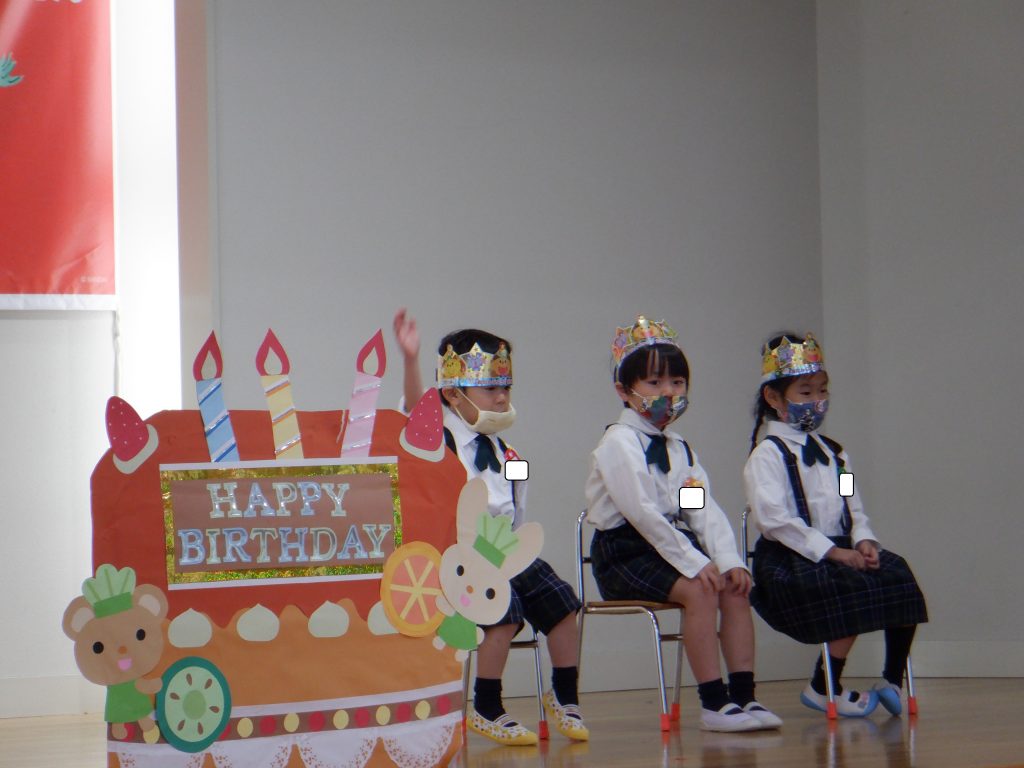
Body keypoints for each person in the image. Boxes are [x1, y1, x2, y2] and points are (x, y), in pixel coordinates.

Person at [393, 309, 588, 745]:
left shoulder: (504, 450)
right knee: (503, 610)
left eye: (506, 388)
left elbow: (516, 511)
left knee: (562, 602)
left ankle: (564, 696)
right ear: (452, 392)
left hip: (502, 549)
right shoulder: (438, 434)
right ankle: (486, 706)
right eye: (490, 388)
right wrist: (410, 359)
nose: (501, 399)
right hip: (457, 555)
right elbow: (414, 405)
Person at [585, 315, 781, 733]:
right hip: (624, 553)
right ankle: (713, 702)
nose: (668, 392)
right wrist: (694, 563)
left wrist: (728, 560)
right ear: (623, 390)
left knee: (733, 586)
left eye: (677, 382)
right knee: (700, 588)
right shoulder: (619, 443)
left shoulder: (680, 448)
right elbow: (642, 513)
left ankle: (744, 695)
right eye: (654, 383)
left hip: (672, 545)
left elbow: (701, 508)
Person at [745, 332, 928, 717]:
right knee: (847, 586)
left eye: (822, 391)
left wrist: (863, 540)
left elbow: (852, 504)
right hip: (791, 556)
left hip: (841, 547)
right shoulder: (768, 456)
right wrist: (832, 552)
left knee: (897, 574)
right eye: (805, 392)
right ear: (774, 398)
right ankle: (823, 685)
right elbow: (773, 519)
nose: (817, 401)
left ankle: (892, 679)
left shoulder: (836, 455)